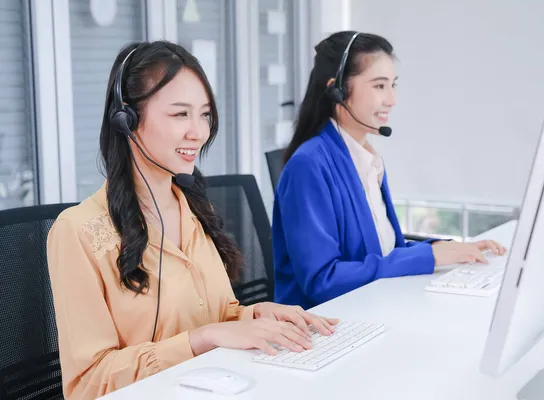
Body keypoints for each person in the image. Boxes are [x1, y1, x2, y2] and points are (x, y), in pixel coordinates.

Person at [46, 40, 337, 399]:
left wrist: (258, 315)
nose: (198, 132)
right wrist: (199, 341)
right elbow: (88, 383)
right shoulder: (77, 232)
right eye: (180, 114)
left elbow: (217, 315)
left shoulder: (193, 206)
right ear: (127, 120)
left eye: (204, 114)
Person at [272, 31, 506, 309]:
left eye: (393, 85)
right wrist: (429, 258)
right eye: (380, 86)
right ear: (337, 90)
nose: (392, 99)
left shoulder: (365, 158)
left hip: (369, 310)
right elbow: (323, 281)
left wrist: (447, 250)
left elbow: (382, 252)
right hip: (322, 329)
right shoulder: (309, 166)